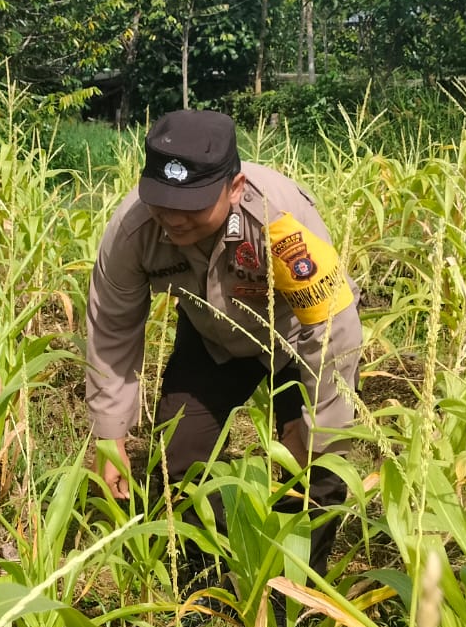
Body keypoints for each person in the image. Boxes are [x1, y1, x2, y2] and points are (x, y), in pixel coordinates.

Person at [85, 108, 363, 588]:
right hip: (210, 335)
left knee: (318, 473)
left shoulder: (281, 222)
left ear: (234, 189)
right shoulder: (133, 231)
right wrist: (109, 434)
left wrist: (315, 435)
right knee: (177, 458)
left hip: (294, 336)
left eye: (190, 204)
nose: (171, 217)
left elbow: (334, 330)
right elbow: (113, 326)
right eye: (160, 199)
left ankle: (293, 590)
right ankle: (203, 582)